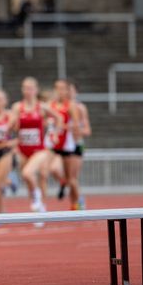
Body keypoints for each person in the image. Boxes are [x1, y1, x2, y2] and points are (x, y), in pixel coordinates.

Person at [11, 78, 61, 220]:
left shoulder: (42, 107)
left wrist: (56, 133)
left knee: (31, 174)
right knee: (29, 180)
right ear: (22, 90)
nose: (28, 91)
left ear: (36, 89)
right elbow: (11, 127)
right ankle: (39, 208)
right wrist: (11, 135)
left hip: (39, 149)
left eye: (31, 88)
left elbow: (59, 118)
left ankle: (40, 202)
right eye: (25, 88)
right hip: (22, 149)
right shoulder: (17, 107)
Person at [50, 79, 82, 210]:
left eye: (63, 88)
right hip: (54, 145)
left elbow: (76, 124)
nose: (60, 91)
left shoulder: (71, 105)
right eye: (57, 88)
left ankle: (77, 203)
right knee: (53, 168)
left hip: (68, 146)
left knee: (72, 179)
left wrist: (61, 126)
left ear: (67, 91)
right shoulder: (51, 104)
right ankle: (62, 182)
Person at [69, 80, 91, 209]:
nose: (69, 93)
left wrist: (75, 129)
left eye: (71, 90)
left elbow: (87, 130)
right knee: (68, 178)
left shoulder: (80, 108)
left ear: (76, 92)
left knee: (73, 178)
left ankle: (77, 203)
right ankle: (75, 202)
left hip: (78, 145)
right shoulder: (62, 107)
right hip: (64, 147)